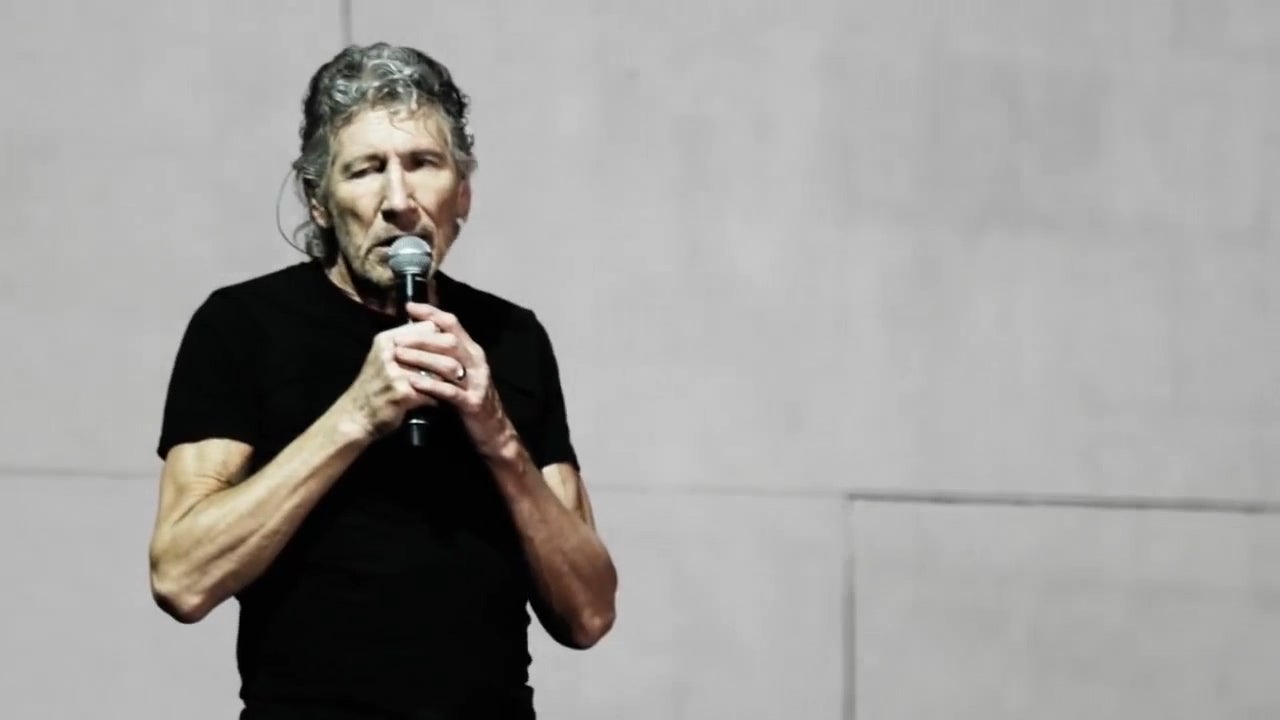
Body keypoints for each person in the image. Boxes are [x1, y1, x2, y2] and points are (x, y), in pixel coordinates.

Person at [146, 42, 618, 719]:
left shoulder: (512, 337)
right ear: (318, 200)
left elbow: (589, 613)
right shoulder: (244, 326)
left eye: (423, 164)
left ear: (462, 193)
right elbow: (182, 578)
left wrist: (497, 436)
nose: (398, 201)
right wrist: (356, 417)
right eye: (366, 170)